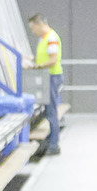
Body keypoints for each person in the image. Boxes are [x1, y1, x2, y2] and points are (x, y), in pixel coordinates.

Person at [28, 13, 63, 156]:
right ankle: (51, 141)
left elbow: (53, 60)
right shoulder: (43, 39)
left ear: (39, 24)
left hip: (52, 77)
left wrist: (37, 66)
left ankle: (54, 145)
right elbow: (44, 56)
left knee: (52, 112)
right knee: (49, 111)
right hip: (47, 77)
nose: (33, 32)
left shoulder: (51, 38)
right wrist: (33, 59)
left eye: (33, 28)